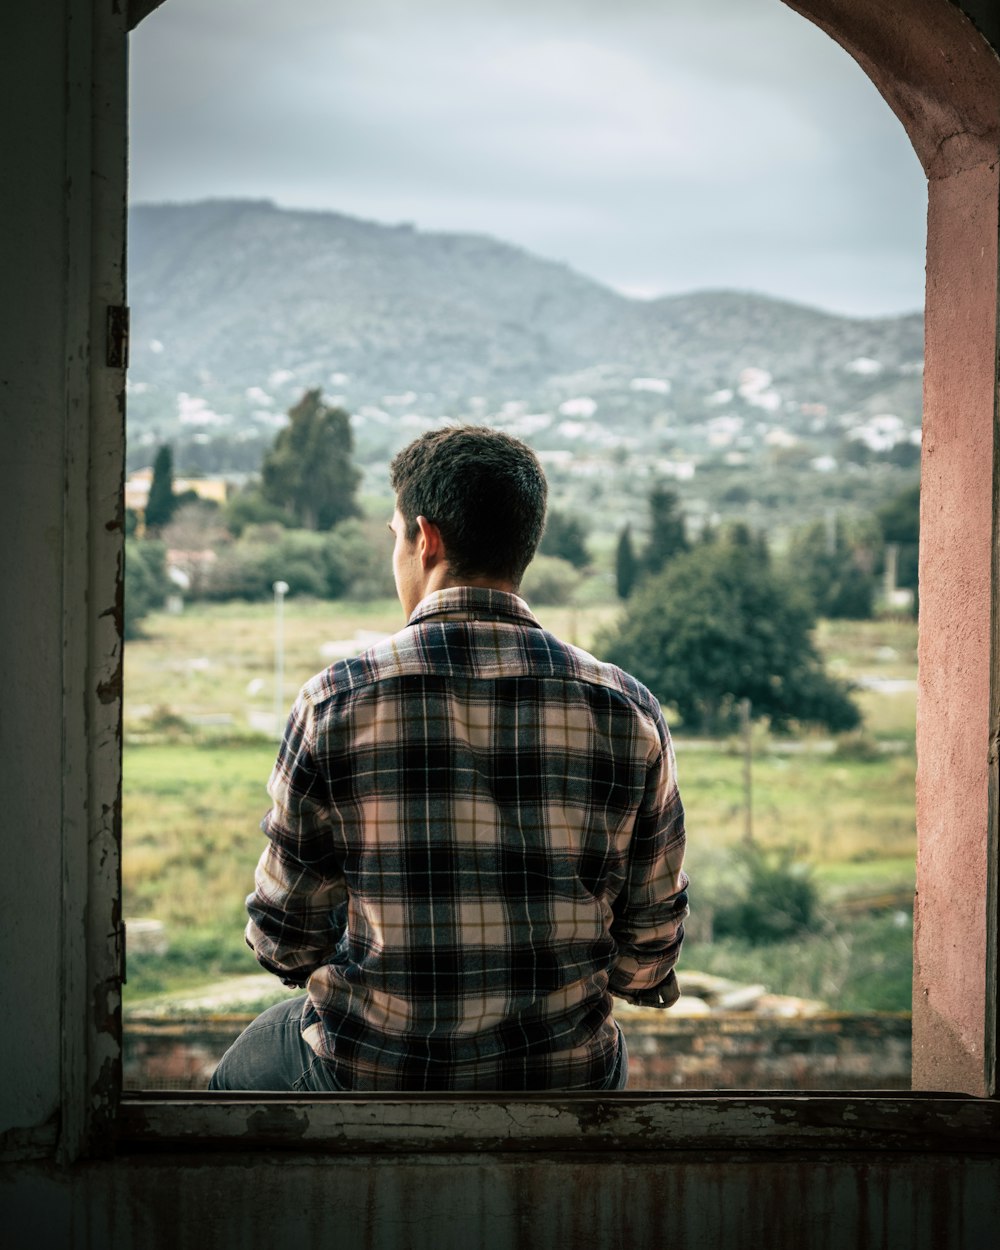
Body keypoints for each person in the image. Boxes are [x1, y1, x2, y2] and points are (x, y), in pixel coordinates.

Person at [209, 426, 688, 1092]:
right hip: (562, 1083)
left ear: (425, 539)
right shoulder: (627, 710)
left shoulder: (335, 701)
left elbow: (282, 940)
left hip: (375, 1076)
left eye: (394, 535)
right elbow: (647, 959)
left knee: (245, 1073)